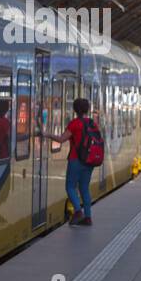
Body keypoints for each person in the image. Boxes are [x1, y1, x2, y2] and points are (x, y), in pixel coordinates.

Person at [46, 97, 100, 226]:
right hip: (89, 161)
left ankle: (78, 211)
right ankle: (88, 217)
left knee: (70, 187)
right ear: (87, 109)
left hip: (76, 160)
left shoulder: (74, 123)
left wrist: (47, 134)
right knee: (84, 188)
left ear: (75, 110)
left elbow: (60, 139)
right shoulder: (92, 123)